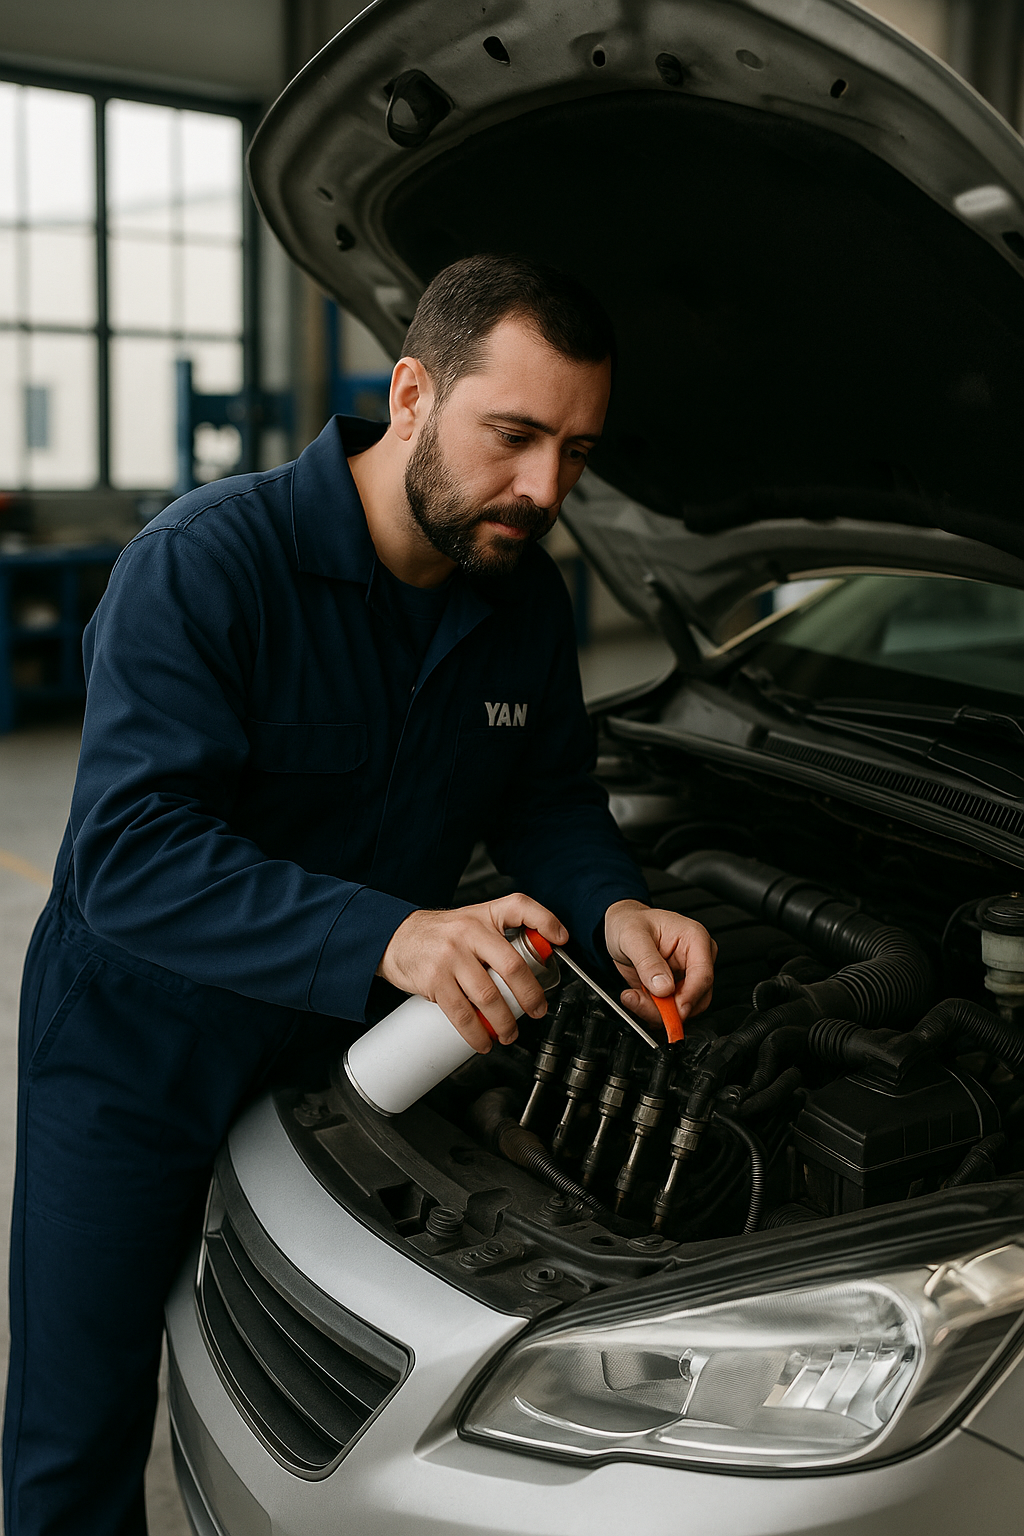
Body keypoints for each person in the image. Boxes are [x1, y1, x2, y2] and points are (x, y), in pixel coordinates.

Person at [3, 253, 716, 1534]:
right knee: (78, 1423)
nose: (545, 488)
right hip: (137, 1054)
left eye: (576, 451)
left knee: (311, 1405)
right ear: (409, 394)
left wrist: (612, 909)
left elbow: (542, 794)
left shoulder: (520, 600)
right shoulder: (209, 565)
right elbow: (129, 856)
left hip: (346, 1057)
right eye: (514, 435)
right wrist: (391, 935)